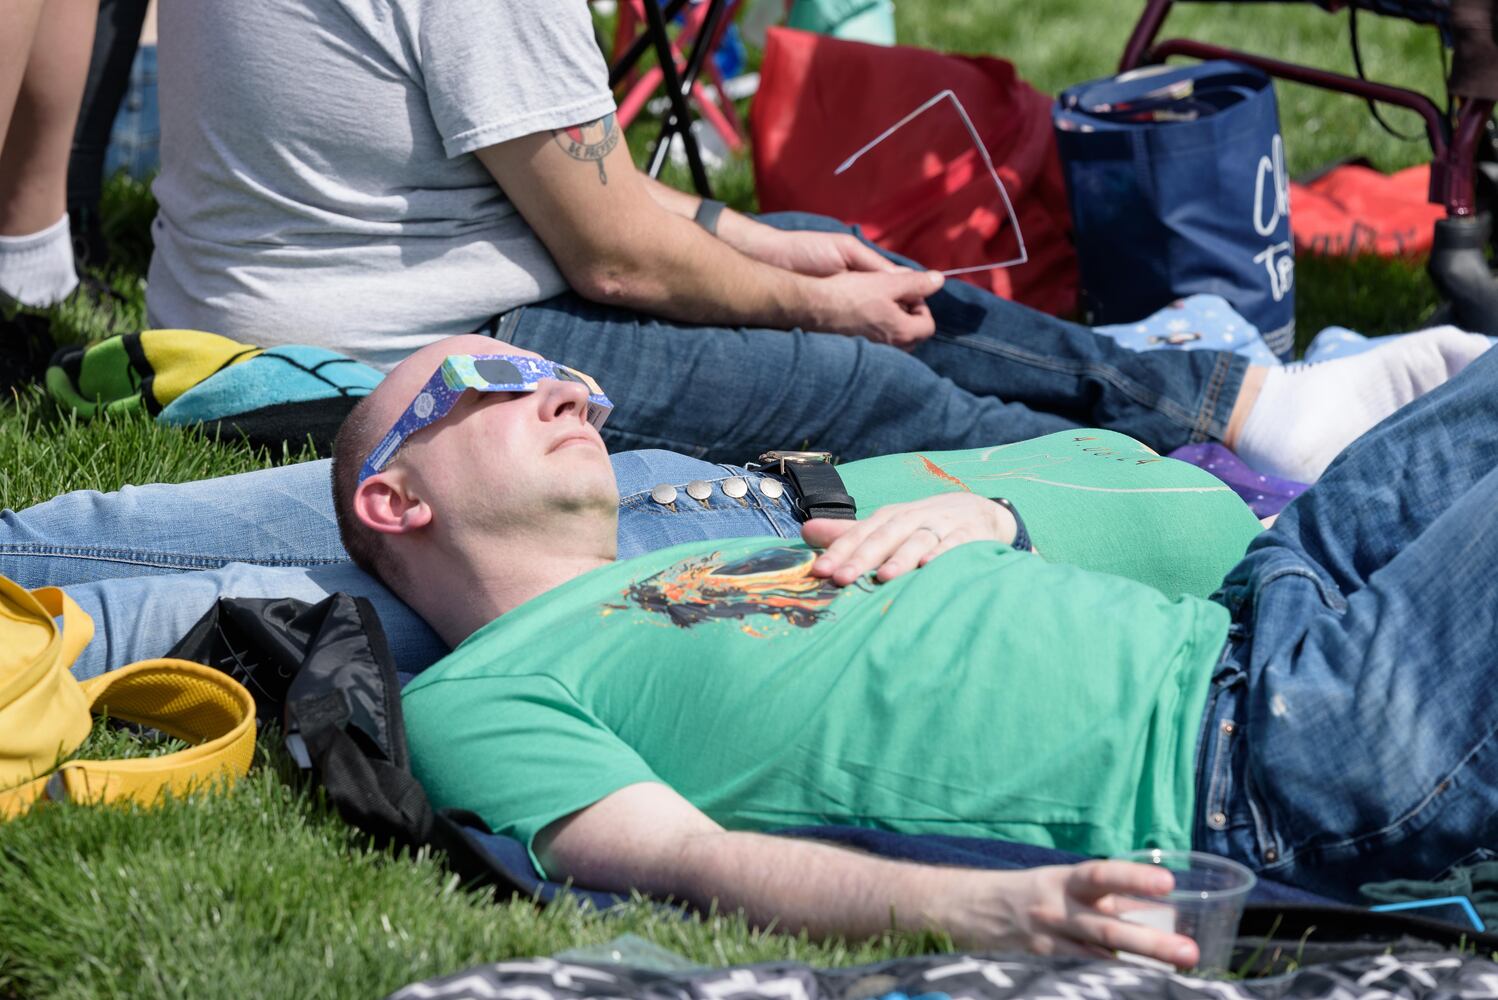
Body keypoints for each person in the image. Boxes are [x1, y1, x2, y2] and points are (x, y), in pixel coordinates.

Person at [330, 335, 1498, 962]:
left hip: (1259, 612)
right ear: (394, 501)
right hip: (1259, 773)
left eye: (567, 379)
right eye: (496, 374)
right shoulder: (477, 696)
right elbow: (688, 865)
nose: (567, 396)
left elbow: (1194, 519)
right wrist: (984, 910)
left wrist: (995, 520)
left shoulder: (760, 533)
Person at [146, 0, 1487, 485]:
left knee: (825, 245)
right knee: (860, 378)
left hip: (350, 297)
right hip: (359, 358)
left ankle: (1240, 400)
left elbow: (583, 190)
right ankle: (1203, 479)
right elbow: (610, 255)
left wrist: (770, 247)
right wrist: (813, 308)